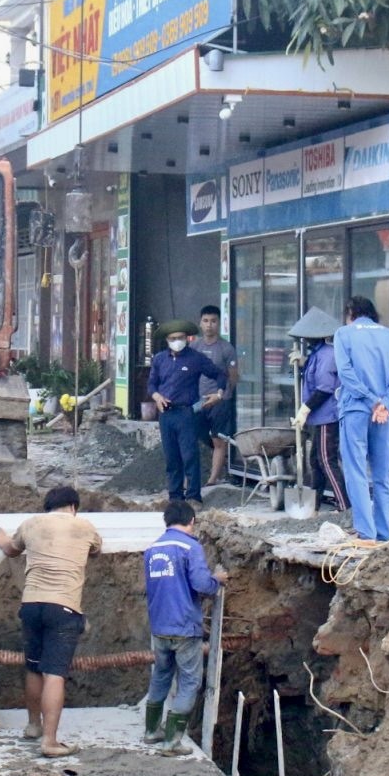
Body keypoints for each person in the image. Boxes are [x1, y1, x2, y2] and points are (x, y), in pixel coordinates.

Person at [0, 485, 101, 758]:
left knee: (33, 667)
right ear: (73, 507)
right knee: (55, 673)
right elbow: (97, 550)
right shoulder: (84, 527)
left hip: (31, 605)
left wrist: (1, 537)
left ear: (48, 507)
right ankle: (50, 742)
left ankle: (32, 726)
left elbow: (10, 549)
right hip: (63, 609)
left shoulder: (31, 524)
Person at [141, 499, 227, 752]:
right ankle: (172, 741)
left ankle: (151, 731)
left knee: (161, 675)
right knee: (189, 681)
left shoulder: (152, 549)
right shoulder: (190, 547)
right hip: (184, 626)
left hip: (159, 625)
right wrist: (217, 580)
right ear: (191, 521)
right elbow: (201, 584)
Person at [334, 295, 389, 543]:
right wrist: (385, 402)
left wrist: (370, 400)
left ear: (351, 312)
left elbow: (345, 373)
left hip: (356, 409)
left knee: (356, 471)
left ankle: (366, 533)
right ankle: (385, 534)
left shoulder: (344, 334)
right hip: (385, 414)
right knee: (382, 476)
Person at [149, 320, 227, 503]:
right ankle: (175, 497)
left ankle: (193, 496)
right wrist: (157, 397)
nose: (177, 341)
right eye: (173, 338)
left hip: (186, 412)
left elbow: (220, 374)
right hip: (166, 413)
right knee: (171, 458)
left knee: (190, 455)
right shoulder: (160, 359)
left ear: (187, 338)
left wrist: (219, 394)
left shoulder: (195, 358)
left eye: (181, 338)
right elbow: (151, 384)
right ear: (167, 340)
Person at [290, 307, 349, 514]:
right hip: (319, 417)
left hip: (327, 416)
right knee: (315, 459)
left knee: (326, 459)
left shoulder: (327, 355)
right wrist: (303, 362)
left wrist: (305, 409)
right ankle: (313, 505)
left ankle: (345, 507)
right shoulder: (318, 354)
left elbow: (324, 388)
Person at [191, 306, 240, 489]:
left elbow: (233, 376)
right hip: (198, 401)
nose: (209, 325)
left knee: (218, 440)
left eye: (213, 321)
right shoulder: (194, 346)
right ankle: (192, 478)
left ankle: (213, 479)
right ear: (200, 323)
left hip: (220, 401)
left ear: (219, 323)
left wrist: (224, 395)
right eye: (205, 321)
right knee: (195, 437)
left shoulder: (226, 348)